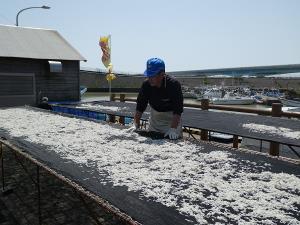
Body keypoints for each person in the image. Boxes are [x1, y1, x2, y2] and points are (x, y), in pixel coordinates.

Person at [133, 58, 184, 140]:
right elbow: (140, 106)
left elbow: (178, 109)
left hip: (171, 120)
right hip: (155, 119)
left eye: (153, 75)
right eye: (148, 75)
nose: (150, 78)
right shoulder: (146, 85)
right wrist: (136, 123)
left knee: (172, 142)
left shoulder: (173, 84)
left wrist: (173, 129)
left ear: (162, 74)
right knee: (152, 140)